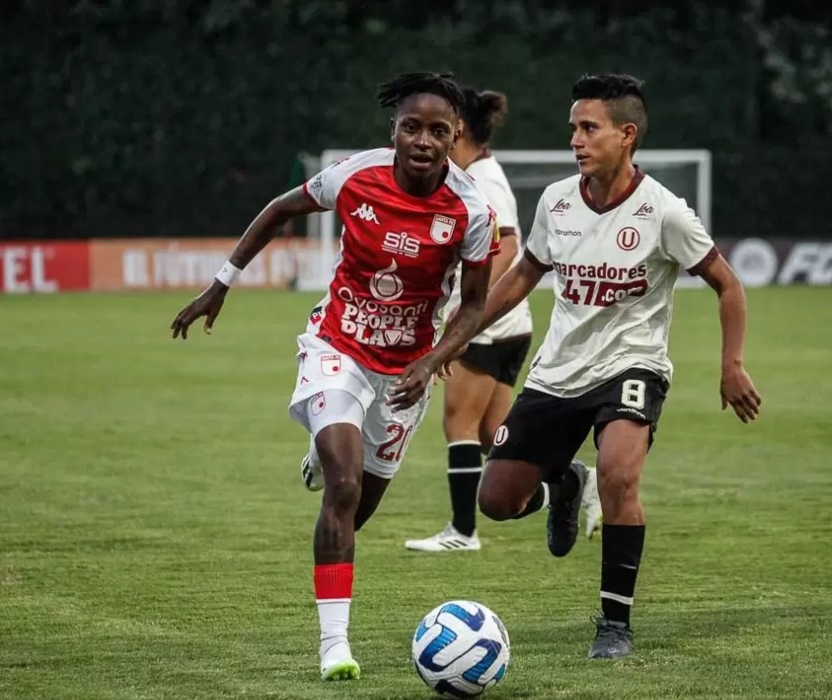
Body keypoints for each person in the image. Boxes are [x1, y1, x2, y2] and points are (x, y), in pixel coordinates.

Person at [169, 72, 499, 682]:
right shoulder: (355, 175)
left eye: (438, 131)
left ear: (455, 138)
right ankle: (334, 647)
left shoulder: (473, 210)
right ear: (392, 130)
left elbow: (476, 304)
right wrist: (222, 282)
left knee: (357, 509)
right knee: (343, 487)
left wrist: (430, 361)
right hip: (336, 347)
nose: (422, 140)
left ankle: (325, 454)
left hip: (406, 373)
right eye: (411, 127)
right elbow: (278, 210)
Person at [470, 74, 762, 659]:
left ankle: (614, 623)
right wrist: (462, 332)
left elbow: (727, 285)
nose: (575, 140)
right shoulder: (556, 200)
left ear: (626, 135)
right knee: (496, 502)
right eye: (573, 128)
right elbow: (525, 274)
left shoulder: (664, 212)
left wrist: (732, 365)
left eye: (588, 128)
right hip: (558, 371)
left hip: (634, 364)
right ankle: (563, 479)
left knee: (621, 476)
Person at [404, 87, 535, 553]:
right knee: (493, 437)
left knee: (457, 424)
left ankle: (462, 532)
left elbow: (511, 247)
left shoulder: (481, 179)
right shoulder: (485, 173)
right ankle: (574, 481)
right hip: (512, 324)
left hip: (490, 326)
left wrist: (469, 314)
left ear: (460, 135)